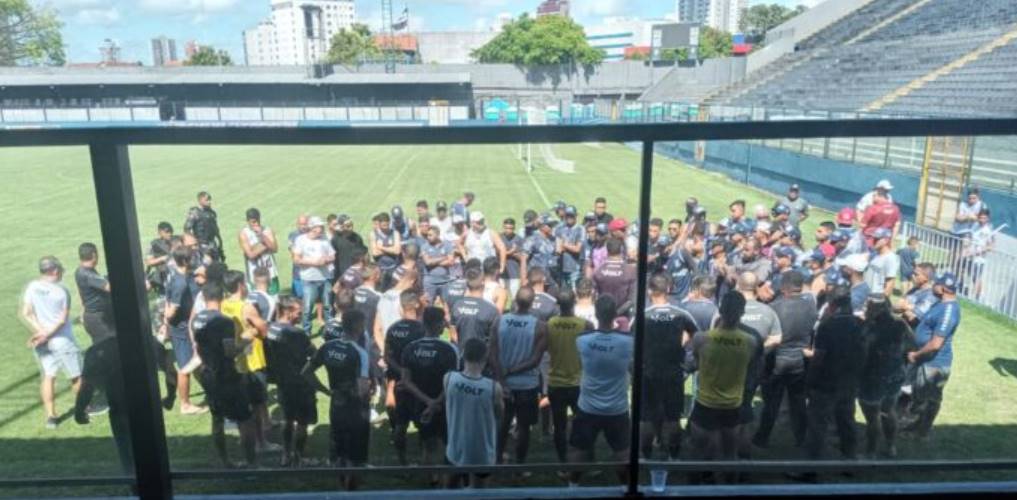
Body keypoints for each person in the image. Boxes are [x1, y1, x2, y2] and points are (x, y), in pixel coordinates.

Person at [688, 291, 758, 484]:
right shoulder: (750, 341)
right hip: (732, 406)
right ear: (742, 312)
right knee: (730, 454)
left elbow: (697, 363)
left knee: (696, 454)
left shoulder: (701, 339)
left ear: (720, 310)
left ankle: (692, 490)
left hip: (705, 404)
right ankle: (730, 490)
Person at [569, 295, 634, 487]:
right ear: (615, 314)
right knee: (622, 451)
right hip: (617, 407)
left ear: (596, 314)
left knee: (579, 449)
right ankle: (625, 487)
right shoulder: (628, 342)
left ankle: (573, 486)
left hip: (588, 406)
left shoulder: (583, 340)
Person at [303, 310, 372, 489]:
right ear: (358, 325)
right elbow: (363, 389)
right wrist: (369, 391)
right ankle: (351, 490)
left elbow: (306, 372)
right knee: (355, 453)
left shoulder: (328, 346)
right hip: (356, 409)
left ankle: (342, 486)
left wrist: (326, 391)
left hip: (336, 404)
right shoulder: (360, 353)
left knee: (340, 448)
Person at [192, 283, 257, 468]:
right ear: (222, 297)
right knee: (245, 419)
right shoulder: (225, 322)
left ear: (204, 298)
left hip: (208, 372)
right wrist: (246, 340)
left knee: (217, 418)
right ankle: (251, 463)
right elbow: (230, 351)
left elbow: (197, 345)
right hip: (227, 376)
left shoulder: (197, 319)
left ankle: (225, 460)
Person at [802, 287, 864, 469]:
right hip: (849, 381)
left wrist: (809, 381)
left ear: (831, 305)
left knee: (818, 425)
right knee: (847, 422)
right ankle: (850, 461)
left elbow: (818, 358)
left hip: (826, 382)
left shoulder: (827, 326)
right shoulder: (859, 324)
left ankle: (811, 469)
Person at [754, 271, 815, 449]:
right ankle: (802, 438)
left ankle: (762, 438)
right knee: (798, 403)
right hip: (800, 360)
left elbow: (767, 335)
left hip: (777, 360)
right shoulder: (811, 305)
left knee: (771, 403)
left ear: (783, 287)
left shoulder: (774, 307)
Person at [640, 274, 698, 461]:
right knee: (673, 416)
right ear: (668, 289)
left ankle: (646, 456)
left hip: (650, 371)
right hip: (673, 370)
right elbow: (695, 333)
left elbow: (634, 339)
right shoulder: (680, 313)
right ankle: (674, 456)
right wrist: (682, 342)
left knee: (648, 416)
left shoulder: (643, 314)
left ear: (649, 291)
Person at [489, 286, 548, 467]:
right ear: (532, 303)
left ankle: (497, 459)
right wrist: (511, 371)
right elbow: (535, 360)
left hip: (503, 382)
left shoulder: (499, 321)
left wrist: (501, 378)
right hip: (526, 384)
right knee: (523, 427)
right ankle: (519, 466)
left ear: (515, 300)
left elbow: (492, 354)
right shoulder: (539, 326)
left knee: (502, 423)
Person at [399, 306, 460, 479]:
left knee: (427, 442)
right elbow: (452, 381)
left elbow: (406, 381)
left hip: (419, 404)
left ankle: (431, 481)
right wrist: (435, 403)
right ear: (440, 324)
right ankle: (444, 482)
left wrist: (427, 401)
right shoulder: (449, 349)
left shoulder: (410, 348)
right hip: (444, 406)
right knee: (447, 443)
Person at [21, 256, 82, 429]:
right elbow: (62, 320)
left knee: (48, 376)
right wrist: (46, 333)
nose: (62, 272)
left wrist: (40, 331)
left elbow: (26, 312)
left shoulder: (32, 287)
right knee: (76, 376)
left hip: (42, 341)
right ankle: (81, 409)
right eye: (60, 270)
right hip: (62, 340)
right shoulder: (62, 291)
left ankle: (51, 417)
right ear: (54, 271)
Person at [905, 272, 961, 439]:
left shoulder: (948, 311)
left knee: (927, 400)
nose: (933, 285)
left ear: (943, 288)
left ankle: (921, 432)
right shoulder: (940, 303)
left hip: (934, 363)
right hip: (927, 361)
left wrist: (916, 355)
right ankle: (917, 428)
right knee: (922, 397)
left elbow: (936, 344)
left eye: (936, 284)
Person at [859, 295, 915, 459]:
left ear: (877, 309)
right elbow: (912, 344)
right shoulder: (901, 323)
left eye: (868, 307)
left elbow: (861, 350)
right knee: (888, 410)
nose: (865, 310)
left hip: (873, 377)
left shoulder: (869, 327)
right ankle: (891, 447)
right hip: (895, 375)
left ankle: (870, 452)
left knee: (872, 417)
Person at [445, 337, 503, 489]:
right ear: (485, 357)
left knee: (450, 487)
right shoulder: (493, 388)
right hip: (482, 451)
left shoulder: (449, 378)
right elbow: (499, 415)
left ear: (463, 355)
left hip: (456, 447)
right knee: (478, 492)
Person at [264, 296, 316, 466]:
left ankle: (286, 454)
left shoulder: (270, 329)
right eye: (298, 312)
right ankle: (299, 457)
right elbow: (313, 354)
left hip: (282, 382)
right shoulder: (297, 333)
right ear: (288, 312)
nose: (301, 315)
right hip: (300, 383)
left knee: (287, 419)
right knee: (302, 422)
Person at [546, 289, 593, 463]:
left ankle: (563, 462)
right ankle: (587, 461)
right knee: (584, 424)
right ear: (574, 303)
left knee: (559, 426)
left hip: (556, 382)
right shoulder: (585, 325)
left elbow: (544, 348)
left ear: (558, 305)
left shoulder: (549, 324)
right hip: (578, 383)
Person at [384, 290, 427, 465]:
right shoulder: (421, 329)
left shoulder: (393, 328)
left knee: (400, 423)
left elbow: (387, 356)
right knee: (423, 422)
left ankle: (402, 461)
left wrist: (400, 372)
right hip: (417, 383)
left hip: (398, 382)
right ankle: (425, 461)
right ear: (417, 305)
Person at [162, 247, 206, 415]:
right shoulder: (180, 283)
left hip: (184, 327)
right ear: (186, 261)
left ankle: (210, 391)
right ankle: (185, 404)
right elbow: (172, 309)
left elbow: (167, 297)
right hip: (181, 329)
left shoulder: (174, 274)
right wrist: (166, 319)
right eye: (192, 257)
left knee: (196, 363)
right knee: (185, 367)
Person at [292, 216, 336, 332]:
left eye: (322, 226)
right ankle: (306, 332)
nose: (322, 228)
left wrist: (326, 260)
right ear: (312, 227)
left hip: (326, 278)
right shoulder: (301, 240)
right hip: (309, 279)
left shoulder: (325, 238)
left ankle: (330, 330)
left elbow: (333, 255)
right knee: (307, 308)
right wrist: (314, 262)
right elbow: (296, 259)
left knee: (328, 306)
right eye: (319, 226)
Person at [449, 268, 500, 346]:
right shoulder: (491, 310)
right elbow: (495, 340)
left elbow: (453, 335)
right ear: (483, 282)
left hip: (461, 354)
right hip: (482, 355)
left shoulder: (456, 305)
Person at [238, 208, 280, 294]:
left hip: (270, 272)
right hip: (255, 275)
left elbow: (275, 248)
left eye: (257, 221)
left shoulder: (267, 230)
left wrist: (262, 235)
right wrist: (266, 244)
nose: (256, 224)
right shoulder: (244, 233)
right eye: (253, 222)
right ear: (247, 221)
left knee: (275, 299)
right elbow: (250, 254)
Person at [594, 238, 636, 317]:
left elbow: (594, 295)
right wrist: (616, 313)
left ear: (607, 251)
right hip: (623, 316)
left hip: (603, 316)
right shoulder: (630, 271)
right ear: (622, 251)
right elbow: (632, 299)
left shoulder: (598, 271)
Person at [185, 191, 224, 262]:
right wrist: (194, 243)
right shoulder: (195, 212)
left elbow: (215, 228)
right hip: (201, 243)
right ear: (200, 200)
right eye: (206, 200)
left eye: (209, 199)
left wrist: (220, 241)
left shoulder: (211, 213)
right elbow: (187, 228)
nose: (209, 202)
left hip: (212, 243)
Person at [421, 225, 456, 304]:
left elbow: (451, 261)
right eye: (427, 235)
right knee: (428, 304)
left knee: (446, 303)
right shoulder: (424, 246)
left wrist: (433, 260)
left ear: (437, 235)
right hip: (430, 280)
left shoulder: (447, 245)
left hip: (444, 280)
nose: (428, 237)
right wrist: (443, 257)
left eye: (430, 235)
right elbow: (428, 262)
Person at [865, 228, 900, 297]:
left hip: (877, 296)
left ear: (886, 240)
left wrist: (883, 300)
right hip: (866, 294)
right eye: (874, 238)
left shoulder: (891, 258)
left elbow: (890, 281)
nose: (874, 241)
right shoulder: (874, 254)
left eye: (877, 239)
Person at [331, 214, 366, 282]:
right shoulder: (336, 239)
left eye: (351, 225)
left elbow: (363, 253)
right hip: (341, 273)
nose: (351, 228)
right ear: (341, 226)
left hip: (356, 272)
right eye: (348, 226)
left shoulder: (357, 237)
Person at [557, 206, 585, 290]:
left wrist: (565, 245)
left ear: (576, 216)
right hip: (562, 267)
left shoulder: (580, 229)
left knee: (574, 292)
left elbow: (577, 249)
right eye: (567, 215)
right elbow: (558, 249)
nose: (569, 218)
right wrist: (569, 247)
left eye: (571, 215)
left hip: (575, 268)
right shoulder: (560, 228)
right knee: (564, 293)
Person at [146, 222, 175, 294]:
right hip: (162, 272)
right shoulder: (154, 244)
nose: (169, 234)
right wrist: (163, 258)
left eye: (171, 231)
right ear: (160, 233)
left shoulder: (176, 240)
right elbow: (149, 262)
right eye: (167, 232)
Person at [287, 214, 309, 298]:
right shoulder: (293, 235)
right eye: (301, 224)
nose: (303, 226)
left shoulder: (312, 235)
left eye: (305, 224)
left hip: (310, 272)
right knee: (298, 296)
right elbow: (293, 252)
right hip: (298, 272)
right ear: (297, 224)